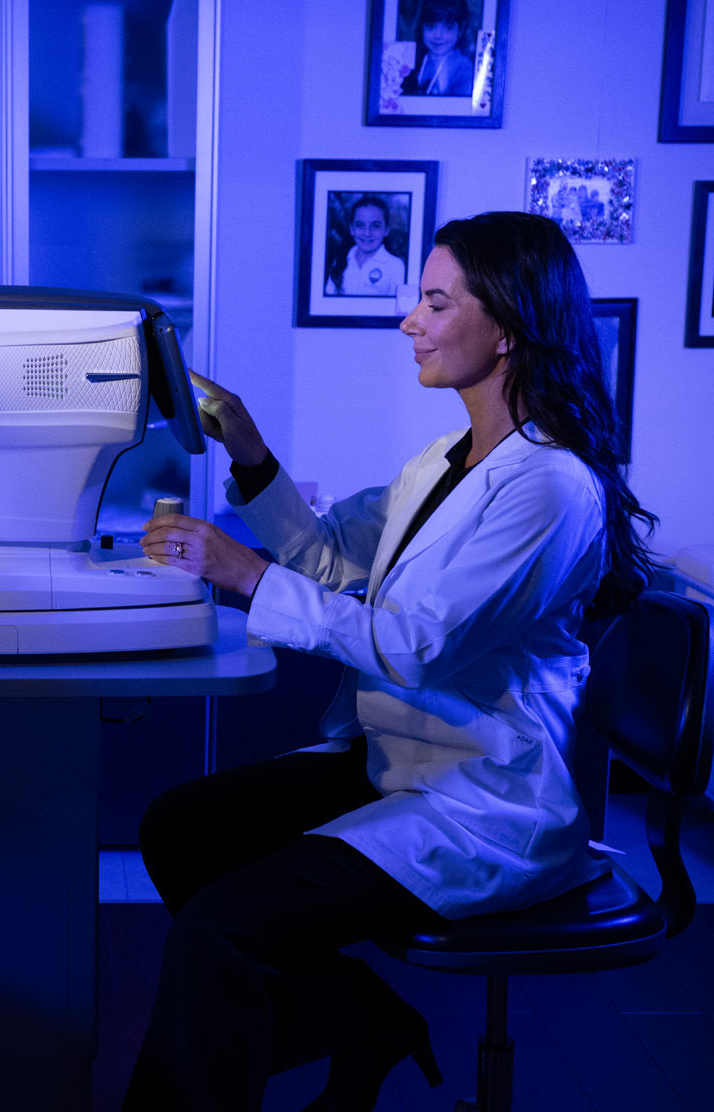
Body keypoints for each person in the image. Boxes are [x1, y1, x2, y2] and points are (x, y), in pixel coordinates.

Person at [127, 211, 657, 1111]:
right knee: (179, 829)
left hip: (483, 799)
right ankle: (359, 1018)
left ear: (509, 328)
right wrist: (246, 446)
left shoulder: (550, 486)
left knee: (222, 932)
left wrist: (243, 574)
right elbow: (332, 562)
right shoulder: (447, 461)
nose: (410, 320)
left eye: (436, 302)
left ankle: (328, 1032)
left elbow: (417, 645)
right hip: (403, 759)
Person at [324, 196, 406, 297]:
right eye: (360, 225)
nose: (367, 233)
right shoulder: (340, 261)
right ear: (351, 229)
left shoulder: (396, 267)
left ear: (386, 230)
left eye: (375, 226)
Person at [400, 0, 475, 97]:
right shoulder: (413, 60)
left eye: (448, 27)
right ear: (421, 27)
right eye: (430, 26)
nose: (438, 36)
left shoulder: (463, 67)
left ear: (461, 29)